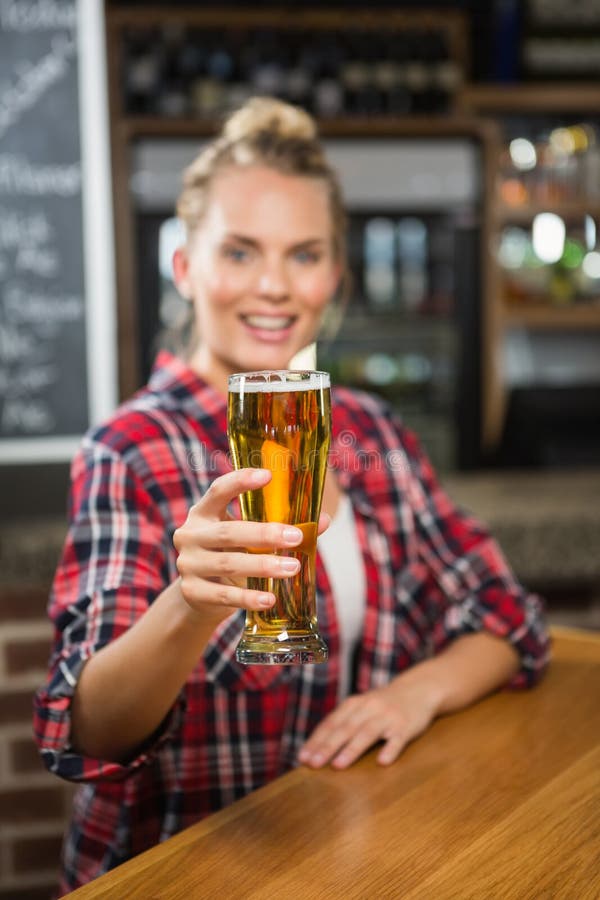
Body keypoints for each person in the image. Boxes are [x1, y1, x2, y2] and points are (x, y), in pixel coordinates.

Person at [34, 97, 550, 894]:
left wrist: (416, 694)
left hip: (364, 857)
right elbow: (88, 732)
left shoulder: (366, 434)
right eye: (239, 252)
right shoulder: (133, 449)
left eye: (304, 255)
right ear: (186, 267)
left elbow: (506, 614)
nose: (273, 286)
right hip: (192, 873)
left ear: (335, 273)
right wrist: (190, 603)